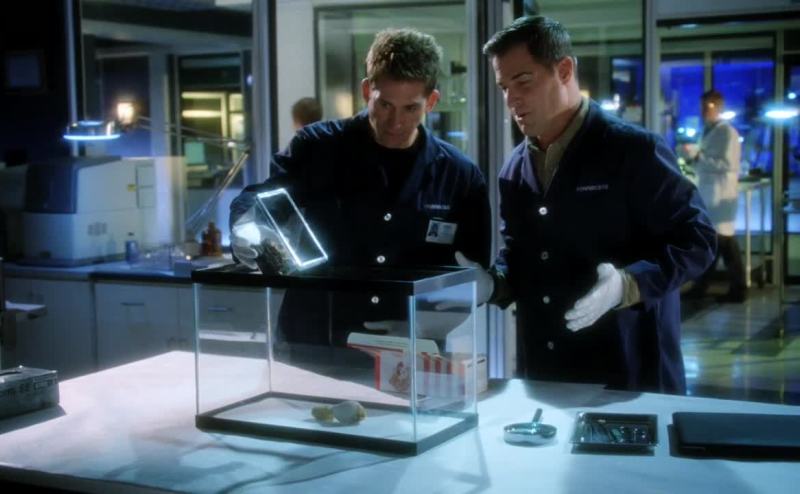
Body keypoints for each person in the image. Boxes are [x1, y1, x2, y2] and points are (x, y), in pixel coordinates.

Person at [456, 16, 716, 394]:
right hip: (547, 373)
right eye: (504, 87)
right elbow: (522, 257)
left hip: (628, 375)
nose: (511, 100)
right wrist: (492, 285)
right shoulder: (514, 168)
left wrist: (627, 284)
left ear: (564, 70)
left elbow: (698, 239)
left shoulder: (633, 151)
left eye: (523, 81)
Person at [230, 28, 491, 347]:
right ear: (368, 91)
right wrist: (246, 226)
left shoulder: (460, 176)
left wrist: (426, 327)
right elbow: (260, 200)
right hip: (315, 341)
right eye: (385, 105)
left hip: (412, 349)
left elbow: (472, 276)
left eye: (411, 108)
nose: (395, 122)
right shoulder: (316, 147)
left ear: (432, 101)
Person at [682, 90, 746, 303]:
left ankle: (734, 289)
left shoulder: (727, 133)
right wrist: (694, 160)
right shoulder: (708, 130)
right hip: (710, 195)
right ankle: (709, 287)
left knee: (722, 243)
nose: (703, 111)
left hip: (720, 195)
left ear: (718, 107)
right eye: (702, 106)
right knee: (717, 243)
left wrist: (699, 158)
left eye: (708, 106)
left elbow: (729, 164)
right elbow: (705, 162)